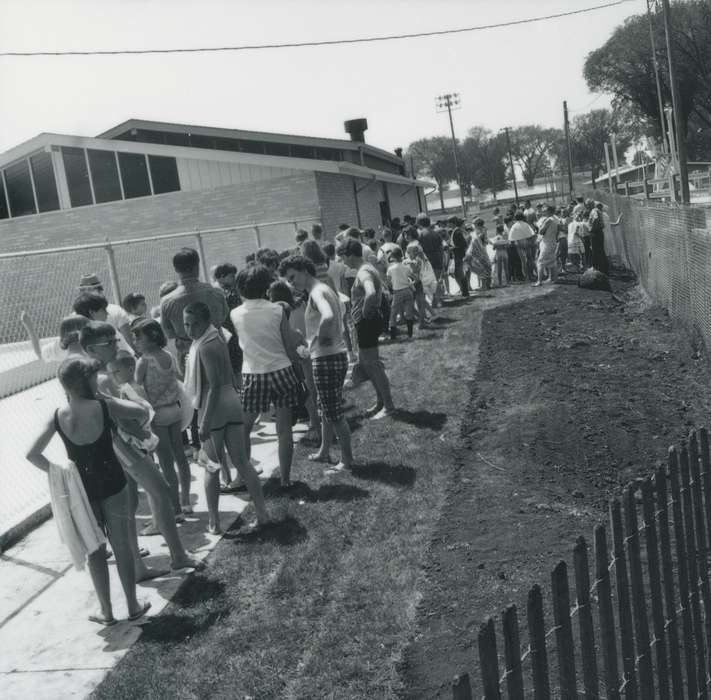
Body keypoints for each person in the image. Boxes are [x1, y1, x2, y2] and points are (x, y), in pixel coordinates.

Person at [26, 356, 151, 626]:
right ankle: (132, 605)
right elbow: (140, 411)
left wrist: (58, 473)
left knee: (95, 549)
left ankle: (106, 611)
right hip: (113, 482)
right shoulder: (103, 405)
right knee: (121, 545)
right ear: (87, 381)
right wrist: (105, 396)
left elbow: (32, 454)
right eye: (94, 376)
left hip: (81, 489)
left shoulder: (58, 415)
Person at [80, 321, 203, 573]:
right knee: (161, 491)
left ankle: (138, 565)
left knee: (131, 502)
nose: (116, 345)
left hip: (115, 447)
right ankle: (177, 555)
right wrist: (144, 428)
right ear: (91, 349)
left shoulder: (94, 374)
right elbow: (120, 418)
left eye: (115, 340)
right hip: (123, 446)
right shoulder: (102, 379)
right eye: (110, 343)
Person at [183, 302, 270, 534]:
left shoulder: (204, 347)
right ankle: (262, 512)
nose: (189, 330)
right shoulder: (218, 336)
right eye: (186, 324)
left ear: (205, 322)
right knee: (242, 461)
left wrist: (204, 422)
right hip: (232, 400)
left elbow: (211, 386)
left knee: (211, 467)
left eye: (194, 324)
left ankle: (214, 522)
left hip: (215, 407)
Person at [279, 255, 354, 473]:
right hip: (335, 354)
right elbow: (340, 312)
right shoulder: (325, 288)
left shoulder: (317, 292)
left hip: (327, 357)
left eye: (293, 277)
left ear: (304, 270)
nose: (292, 283)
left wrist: (318, 341)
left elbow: (329, 316)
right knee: (326, 407)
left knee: (334, 413)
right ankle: (324, 451)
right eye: (289, 280)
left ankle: (347, 460)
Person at [231, 265, 303, 487]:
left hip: (254, 374)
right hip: (282, 370)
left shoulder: (235, 313)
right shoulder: (277, 310)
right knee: (284, 430)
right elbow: (288, 345)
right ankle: (286, 479)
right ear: (266, 287)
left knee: (244, 428)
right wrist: (298, 369)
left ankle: (242, 474)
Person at [132, 319, 193, 518]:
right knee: (180, 456)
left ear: (151, 338)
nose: (135, 341)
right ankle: (186, 500)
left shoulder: (143, 361)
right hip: (174, 410)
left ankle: (175, 507)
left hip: (157, 415)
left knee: (166, 462)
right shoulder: (167, 355)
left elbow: (137, 389)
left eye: (138, 337)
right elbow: (177, 378)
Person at [339, 238, 396, 419]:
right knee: (368, 364)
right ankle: (381, 402)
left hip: (367, 323)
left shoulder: (363, 271)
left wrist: (364, 312)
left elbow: (370, 292)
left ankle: (388, 406)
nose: (342, 262)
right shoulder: (367, 267)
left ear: (349, 255)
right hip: (368, 322)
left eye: (343, 258)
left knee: (373, 365)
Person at [160, 247, 229, 374]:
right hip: (216, 348)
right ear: (197, 266)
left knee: (193, 391)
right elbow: (223, 317)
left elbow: (169, 333)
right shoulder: (216, 292)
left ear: (175, 269)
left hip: (188, 353)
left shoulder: (167, 301)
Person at [78, 274, 137, 354]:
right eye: (85, 290)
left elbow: (128, 341)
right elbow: (129, 341)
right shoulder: (115, 310)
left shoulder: (75, 318)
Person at [21, 312, 89, 363]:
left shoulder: (62, 349)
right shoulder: (62, 349)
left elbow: (40, 354)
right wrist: (29, 326)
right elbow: (40, 354)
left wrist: (29, 326)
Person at [386, 248, 416, 339]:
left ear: (393, 257)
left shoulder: (390, 268)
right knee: (409, 312)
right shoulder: (406, 267)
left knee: (393, 314)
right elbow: (415, 278)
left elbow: (388, 282)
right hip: (407, 290)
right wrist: (410, 283)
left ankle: (393, 335)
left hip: (397, 291)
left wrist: (392, 287)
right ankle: (410, 333)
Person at [417, 214, 445, 307]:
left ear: (420, 223)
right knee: (436, 280)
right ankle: (438, 300)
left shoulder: (420, 234)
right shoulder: (435, 233)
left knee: (428, 282)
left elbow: (419, 250)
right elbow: (441, 248)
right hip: (437, 259)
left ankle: (434, 301)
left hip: (427, 262)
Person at [533, 206, 559, 286]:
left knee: (540, 262)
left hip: (547, 242)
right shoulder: (555, 219)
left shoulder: (548, 220)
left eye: (545, 211)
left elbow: (541, 231)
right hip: (552, 241)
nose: (543, 212)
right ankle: (553, 278)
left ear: (549, 211)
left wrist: (537, 225)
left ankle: (539, 281)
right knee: (552, 261)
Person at [507, 212, 535, 282]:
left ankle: (527, 277)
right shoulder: (526, 224)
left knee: (523, 262)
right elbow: (532, 234)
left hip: (519, 244)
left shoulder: (514, 226)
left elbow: (511, 239)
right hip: (527, 242)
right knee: (530, 259)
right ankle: (531, 274)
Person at [465, 219, 492, 291]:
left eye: (474, 224)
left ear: (476, 224)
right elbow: (485, 241)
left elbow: (478, 240)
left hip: (479, 252)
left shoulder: (478, 232)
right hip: (482, 251)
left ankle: (484, 286)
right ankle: (487, 285)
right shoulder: (482, 231)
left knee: (481, 268)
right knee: (486, 267)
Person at [449, 216, 469, 297]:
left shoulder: (457, 232)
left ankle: (465, 291)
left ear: (453, 223)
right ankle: (463, 290)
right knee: (457, 273)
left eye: (449, 222)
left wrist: (453, 247)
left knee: (460, 273)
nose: (448, 224)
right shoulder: (455, 231)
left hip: (458, 255)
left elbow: (464, 244)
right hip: (456, 255)